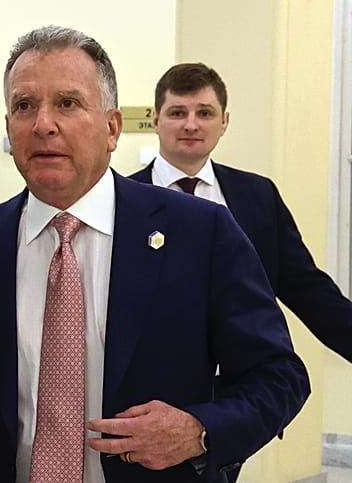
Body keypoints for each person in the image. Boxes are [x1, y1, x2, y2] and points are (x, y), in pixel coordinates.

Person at [0, 26, 309, 483]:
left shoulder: (200, 234)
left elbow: (279, 376)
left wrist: (200, 430)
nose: (43, 124)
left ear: (112, 128)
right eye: (24, 106)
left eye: (68, 104)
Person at [130, 62, 352, 481]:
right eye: (178, 112)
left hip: (234, 403)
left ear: (224, 122)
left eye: (205, 112)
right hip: (150, 405)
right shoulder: (123, 200)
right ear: (156, 120)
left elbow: (307, 289)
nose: (191, 124)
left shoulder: (257, 197)